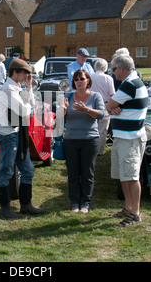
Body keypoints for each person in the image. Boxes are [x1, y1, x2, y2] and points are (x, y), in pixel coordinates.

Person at [0, 58, 44, 219]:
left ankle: (25, 205)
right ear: (15, 72)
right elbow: (25, 111)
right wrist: (28, 107)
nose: (26, 77)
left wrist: (29, 88)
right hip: (8, 135)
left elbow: (30, 104)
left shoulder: (15, 87)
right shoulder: (9, 89)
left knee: (28, 170)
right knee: (6, 171)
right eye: (25, 73)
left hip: (16, 133)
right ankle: (5, 208)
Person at [106, 54, 148, 227]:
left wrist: (112, 106)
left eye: (114, 69)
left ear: (121, 69)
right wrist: (112, 106)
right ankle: (128, 207)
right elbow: (111, 105)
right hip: (123, 137)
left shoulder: (130, 84)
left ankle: (135, 213)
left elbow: (110, 103)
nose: (113, 72)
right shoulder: (131, 83)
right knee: (124, 175)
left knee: (131, 176)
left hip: (130, 138)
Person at [61, 69, 105, 213]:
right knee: (73, 173)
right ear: (74, 82)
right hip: (71, 140)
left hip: (90, 140)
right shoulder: (68, 96)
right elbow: (59, 117)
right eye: (76, 79)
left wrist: (86, 110)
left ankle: (85, 202)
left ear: (88, 81)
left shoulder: (95, 96)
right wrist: (62, 109)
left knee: (87, 173)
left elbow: (101, 114)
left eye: (82, 78)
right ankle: (74, 202)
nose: (79, 81)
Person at [89, 59, 115, 155]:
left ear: (95, 67)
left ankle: (91, 149)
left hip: (92, 104)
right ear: (105, 67)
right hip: (104, 104)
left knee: (91, 128)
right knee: (102, 130)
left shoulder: (90, 77)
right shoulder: (109, 78)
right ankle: (99, 150)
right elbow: (112, 94)